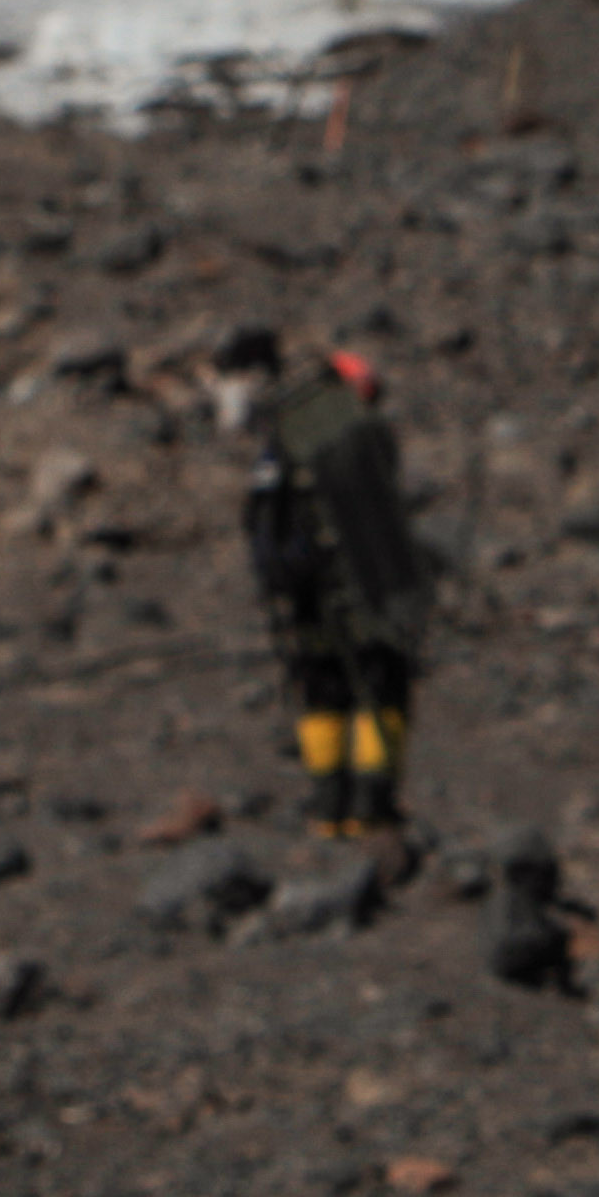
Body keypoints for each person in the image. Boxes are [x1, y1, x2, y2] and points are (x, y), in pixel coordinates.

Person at [220, 327, 433, 836]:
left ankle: (327, 808)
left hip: (301, 598)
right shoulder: (345, 443)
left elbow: (261, 524)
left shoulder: (282, 448)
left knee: (322, 692)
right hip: (354, 593)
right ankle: (371, 806)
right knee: (380, 688)